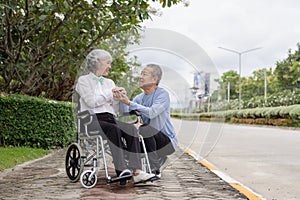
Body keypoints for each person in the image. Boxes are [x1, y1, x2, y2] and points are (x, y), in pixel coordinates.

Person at [75, 49, 155, 184]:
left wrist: (119, 97)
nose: (110, 66)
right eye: (107, 63)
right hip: (91, 119)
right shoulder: (83, 81)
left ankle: (137, 172)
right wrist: (110, 94)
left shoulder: (109, 82)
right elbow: (91, 102)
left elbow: (114, 108)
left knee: (131, 129)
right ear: (97, 63)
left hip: (110, 118)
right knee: (114, 130)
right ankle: (121, 169)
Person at [113, 64, 178, 178]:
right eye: (141, 74)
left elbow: (152, 112)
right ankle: (139, 168)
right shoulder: (139, 98)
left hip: (166, 143)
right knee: (129, 145)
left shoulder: (162, 95)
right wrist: (122, 97)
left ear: (154, 79)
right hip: (149, 139)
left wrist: (129, 102)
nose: (141, 77)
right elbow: (125, 113)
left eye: (144, 74)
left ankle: (155, 168)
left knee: (145, 128)